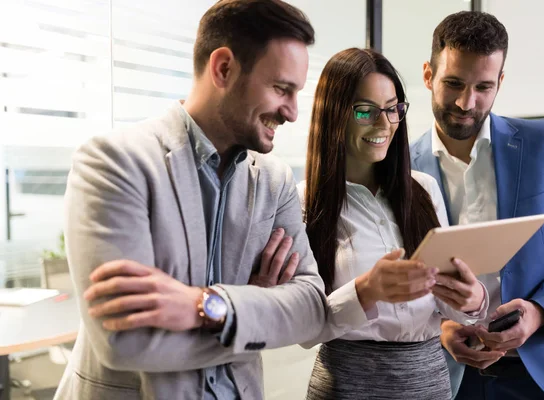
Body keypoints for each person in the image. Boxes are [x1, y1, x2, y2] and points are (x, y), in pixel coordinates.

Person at [54, 1, 328, 399]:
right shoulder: (114, 162)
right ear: (224, 68)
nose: (291, 111)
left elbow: (311, 311)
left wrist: (207, 305)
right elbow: (125, 342)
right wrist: (255, 315)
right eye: (281, 89)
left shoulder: (274, 180)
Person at [410, 10, 544, 400]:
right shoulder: (399, 169)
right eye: (453, 83)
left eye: (483, 86)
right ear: (428, 75)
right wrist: (438, 327)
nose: (467, 102)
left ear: (500, 81)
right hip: (445, 376)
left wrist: (539, 311)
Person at [297, 48, 489, 400]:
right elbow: (303, 330)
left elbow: (446, 307)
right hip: (347, 384)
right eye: (365, 110)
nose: (384, 124)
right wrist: (365, 291)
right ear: (333, 114)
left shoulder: (423, 189)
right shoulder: (302, 201)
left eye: (392, 109)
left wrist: (473, 301)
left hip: (429, 379)